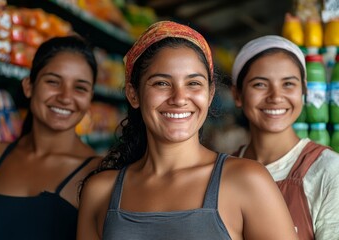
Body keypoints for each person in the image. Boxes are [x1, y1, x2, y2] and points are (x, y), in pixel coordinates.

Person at [77, 21, 298, 240]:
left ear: (210, 94)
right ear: (133, 94)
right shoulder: (100, 192)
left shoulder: (247, 181)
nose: (179, 98)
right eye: (161, 83)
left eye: (193, 83)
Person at [0, 35, 102, 240]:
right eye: (53, 82)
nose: (65, 97)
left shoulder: (98, 175)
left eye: (80, 88)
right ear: (28, 86)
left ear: (90, 98)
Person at [231, 35, 339, 239]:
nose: (276, 97)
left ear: (304, 91)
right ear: (237, 95)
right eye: (260, 85)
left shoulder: (328, 171)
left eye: (288, 84)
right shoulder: (223, 170)